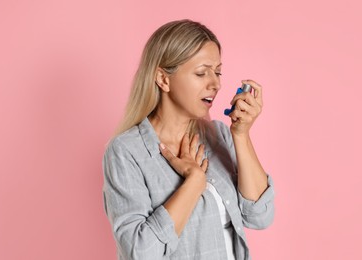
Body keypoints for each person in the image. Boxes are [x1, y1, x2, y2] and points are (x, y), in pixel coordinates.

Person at [102, 19, 274, 260]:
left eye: (218, 72)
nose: (216, 84)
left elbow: (259, 215)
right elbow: (140, 253)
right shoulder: (126, 152)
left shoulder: (218, 135)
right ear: (163, 79)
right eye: (202, 73)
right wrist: (194, 182)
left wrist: (240, 134)